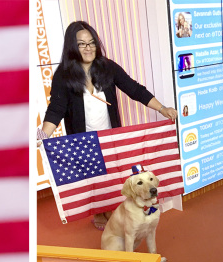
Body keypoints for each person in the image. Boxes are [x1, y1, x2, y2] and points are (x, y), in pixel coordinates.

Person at [39, 21, 177, 230]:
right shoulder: (63, 75)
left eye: (92, 43)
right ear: (72, 47)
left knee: (114, 175)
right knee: (93, 178)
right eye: (82, 44)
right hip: (84, 140)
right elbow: (56, 109)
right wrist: (43, 136)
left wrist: (162, 108)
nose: (88, 48)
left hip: (110, 136)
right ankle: (101, 214)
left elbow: (135, 89)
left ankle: (111, 210)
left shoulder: (107, 67)